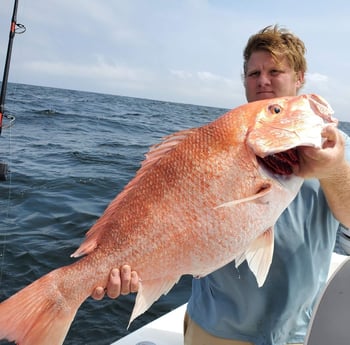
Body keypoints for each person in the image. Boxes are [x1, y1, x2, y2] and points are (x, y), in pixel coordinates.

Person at [93, 25, 350, 345]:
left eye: (275, 70)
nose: (263, 80)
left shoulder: (336, 148)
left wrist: (334, 169)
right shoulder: (217, 142)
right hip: (215, 329)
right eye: (254, 72)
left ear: (299, 77)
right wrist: (131, 265)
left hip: (295, 331)